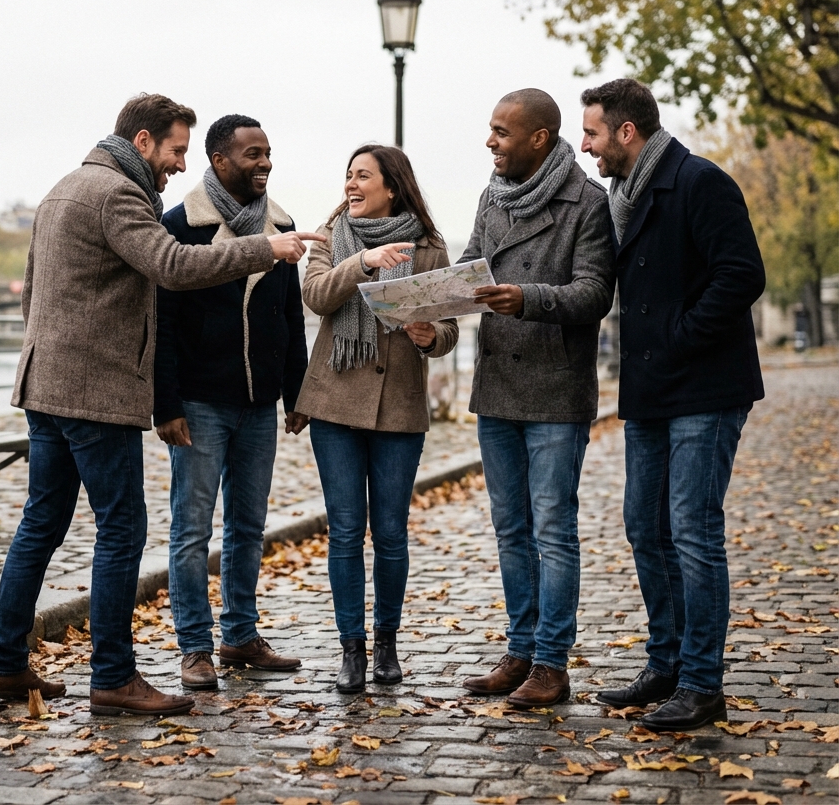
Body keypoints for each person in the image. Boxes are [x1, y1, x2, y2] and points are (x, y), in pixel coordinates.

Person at [0, 94, 323, 717]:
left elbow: (32, 292)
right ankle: (112, 675)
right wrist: (264, 250)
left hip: (44, 386)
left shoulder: (62, 188)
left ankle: (3, 665)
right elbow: (170, 266)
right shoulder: (118, 194)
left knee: (40, 524)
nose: (176, 165)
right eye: (174, 150)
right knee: (121, 529)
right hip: (94, 393)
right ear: (142, 141)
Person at [581, 78, 765, 731]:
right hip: (651, 392)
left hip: (706, 388)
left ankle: (702, 682)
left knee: (692, 530)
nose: (586, 145)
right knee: (644, 528)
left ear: (627, 132)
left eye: (593, 133)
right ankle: (665, 664)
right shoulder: (622, 196)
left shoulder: (699, 182)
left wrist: (682, 335)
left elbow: (742, 273)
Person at [458, 89, 615, 708]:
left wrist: (529, 297)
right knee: (510, 528)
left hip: (554, 388)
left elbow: (596, 292)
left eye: (501, 132)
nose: (490, 141)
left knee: (553, 528)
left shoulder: (588, 203)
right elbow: (472, 265)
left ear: (539, 139)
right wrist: (434, 301)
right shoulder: (491, 197)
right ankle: (519, 650)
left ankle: (551, 662)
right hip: (496, 388)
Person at [294, 145, 458, 693]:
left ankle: (386, 642)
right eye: (347, 175)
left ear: (393, 186)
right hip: (335, 403)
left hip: (400, 406)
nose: (351, 184)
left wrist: (432, 336)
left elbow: (450, 324)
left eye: (362, 175)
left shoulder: (430, 247)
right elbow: (315, 296)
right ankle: (352, 651)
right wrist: (363, 263)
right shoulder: (331, 237)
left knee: (389, 532)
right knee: (345, 531)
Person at [153, 114, 309, 690]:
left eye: (268, 152)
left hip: (259, 404)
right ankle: (194, 646)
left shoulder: (282, 225)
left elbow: (291, 319)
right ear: (218, 161)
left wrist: (297, 392)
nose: (264, 162)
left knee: (249, 525)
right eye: (252, 154)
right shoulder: (179, 227)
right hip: (198, 404)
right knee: (191, 529)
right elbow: (162, 325)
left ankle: (240, 636)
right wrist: (164, 405)